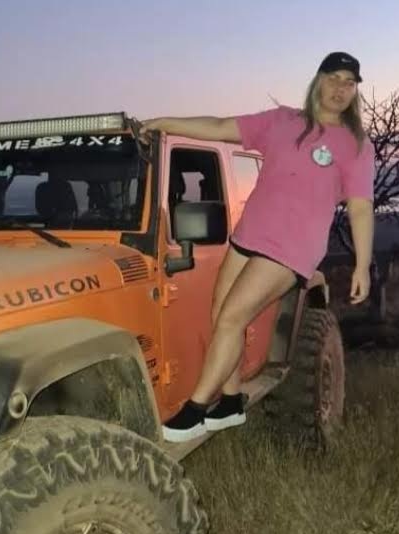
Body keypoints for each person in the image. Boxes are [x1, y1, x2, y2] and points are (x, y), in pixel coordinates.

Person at [140, 52, 375, 443]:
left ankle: (196, 408)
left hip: (292, 247)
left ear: (355, 92)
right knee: (221, 312)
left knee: (232, 317)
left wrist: (362, 265)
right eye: (334, 78)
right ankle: (231, 400)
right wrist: (164, 122)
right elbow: (219, 127)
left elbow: (361, 207)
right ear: (318, 80)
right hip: (248, 235)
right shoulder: (281, 121)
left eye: (349, 83)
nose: (340, 88)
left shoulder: (356, 145)